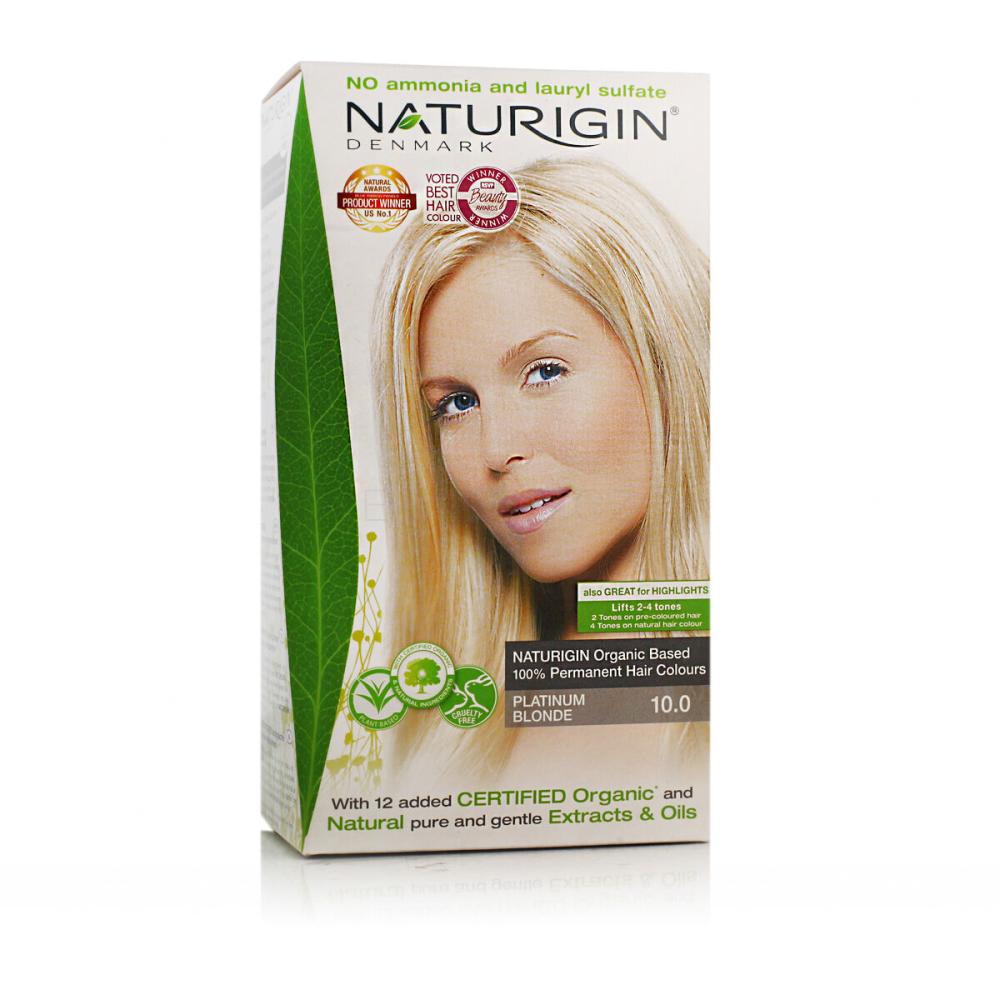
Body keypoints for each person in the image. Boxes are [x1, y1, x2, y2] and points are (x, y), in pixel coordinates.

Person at [373, 158, 708, 776]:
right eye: (457, 403)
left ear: (665, 362)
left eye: (545, 371)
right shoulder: (451, 742)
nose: (496, 450)